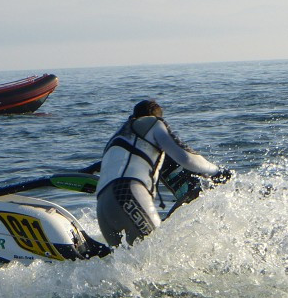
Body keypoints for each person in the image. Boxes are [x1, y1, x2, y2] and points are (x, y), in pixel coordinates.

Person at [96, 99, 232, 247]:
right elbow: (186, 158)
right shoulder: (153, 123)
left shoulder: (117, 138)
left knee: (127, 262)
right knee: (157, 249)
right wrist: (216, 171)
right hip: (126, 193)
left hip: (103, 205)